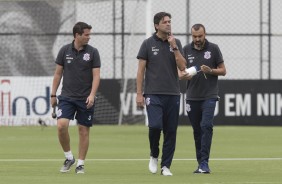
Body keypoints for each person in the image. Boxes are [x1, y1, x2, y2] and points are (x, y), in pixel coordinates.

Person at [136, 12, 187, 176]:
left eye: (170, 21)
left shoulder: (176, 42)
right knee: (155, 126)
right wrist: (139, 94)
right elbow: (140, 71)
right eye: (165, 22)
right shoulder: (147, 44)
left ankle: (166, 166)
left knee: (171, 131)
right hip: (153, 93)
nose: (168, 24)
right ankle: (154, 154)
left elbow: (182, 67)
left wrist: (175, 47)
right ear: (157, 25)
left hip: (173, 93)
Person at [50, 22, 101, 174]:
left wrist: (92, 95)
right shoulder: (64, 50)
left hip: (85, 98)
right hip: (66, 97)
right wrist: (53, 94)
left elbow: (96, 76)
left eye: (89, 34)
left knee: (83, 130)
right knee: (61, 126)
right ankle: (69, 157)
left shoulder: (93, 52)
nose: (89, 37)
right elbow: (58, 74)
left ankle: (80, 164)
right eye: (86, 34)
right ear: (77, 35)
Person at [181, 24, 226, 174]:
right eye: (195, 36)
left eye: (200, 36)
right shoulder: (186, 49)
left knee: (206, 126)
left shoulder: (213, 48)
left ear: (205, 34)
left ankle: (205, 163)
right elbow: (180, 71)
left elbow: (223, 71)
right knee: (197, 131)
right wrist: (183, 74)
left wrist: (211, 71)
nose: (198, 39)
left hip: (209, 95)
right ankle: (200, 163)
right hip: (192, 97)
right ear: (191, 35)